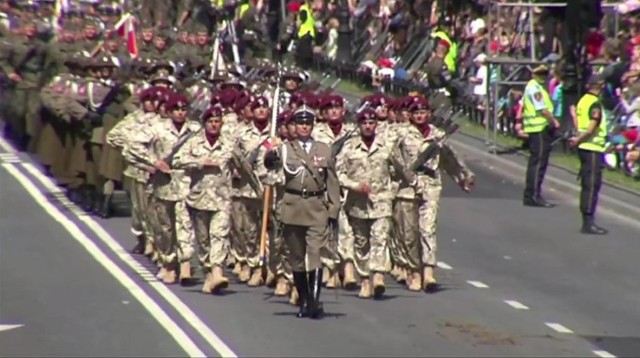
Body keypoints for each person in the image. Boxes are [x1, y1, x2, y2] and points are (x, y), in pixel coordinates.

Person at [263, 106, 341, 319]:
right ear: (294, 127)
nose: (304, 127)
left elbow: (332, 181)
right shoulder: (286, 148)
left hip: (316, 206)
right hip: (293, 205)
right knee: (296, 257)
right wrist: (271, 151)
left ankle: (314, 302)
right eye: (300, 124)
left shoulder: (324, 149)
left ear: (312, 126)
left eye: (308, 123)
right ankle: (304, 300)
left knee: (315, 254)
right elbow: (270, 166)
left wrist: (334, 209)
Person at [568, 75, 608, 235]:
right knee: (592, 185)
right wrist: (579, 139)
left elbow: (578, 121)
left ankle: (587, 219)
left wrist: (578, 138)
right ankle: (588, 221)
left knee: (586, 183)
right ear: (600, 86)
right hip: (592, 147)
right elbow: (591, 127)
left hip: (584, 147)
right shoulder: (595, 103)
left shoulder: (583, 100)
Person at [521, 65, 558, 208]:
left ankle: (531, 194)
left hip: (537, 128)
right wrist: (554, 122)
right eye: (541, 74)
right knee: (538, 164)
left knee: (536, 163)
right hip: (539, 128)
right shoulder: (534, 88)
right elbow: (542, 109)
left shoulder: (537, 87)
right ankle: (533, 195)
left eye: (545, 74)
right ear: (534, 74)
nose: (543, 77)